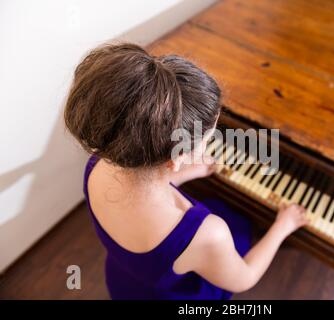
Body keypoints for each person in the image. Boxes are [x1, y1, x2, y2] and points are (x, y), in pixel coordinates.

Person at [64, 43, 308, 299]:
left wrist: (186, 172)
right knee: (238, 227)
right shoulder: (206, 234)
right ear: (176, 158)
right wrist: (283, 226)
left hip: (126, 281)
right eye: (207, 139)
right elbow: (244, 278)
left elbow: (140, 191)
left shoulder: (100, 162)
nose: (206, 146)